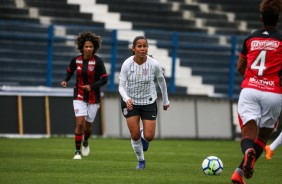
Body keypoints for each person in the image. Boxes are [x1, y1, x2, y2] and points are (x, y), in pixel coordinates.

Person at [231, 0, 282, 183]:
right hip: (273, 93)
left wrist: (253, 79)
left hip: (250, 90)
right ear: (278, 19)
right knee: (263, 137)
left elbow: (239, 67)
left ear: (261, 18)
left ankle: (247, 154)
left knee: (247, 137)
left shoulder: (251, 38)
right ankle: (238, 173)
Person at [118, 36, 170, 170]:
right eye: (139, 46)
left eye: (145, 46)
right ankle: (141, 161)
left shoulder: (154, 64)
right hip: (131, 102)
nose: (142, 49)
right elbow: (121, 86)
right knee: (134, 135)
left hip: (149, 102)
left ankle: (143, 134)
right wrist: (126, 99)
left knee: (149, 136)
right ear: (133, 48)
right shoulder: (127, 64)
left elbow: (161, 82)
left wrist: (165, 100)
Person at [60, 31, 108, 160]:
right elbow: (69, 71)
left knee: (88, 126)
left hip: (93, 97)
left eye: (90, 46)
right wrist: (65, 80)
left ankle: (85, 142)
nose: (88, 49)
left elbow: (104, 79)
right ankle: (77, 152)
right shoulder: (76, 60)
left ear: (94, 48)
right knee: (80, 124)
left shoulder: (98, 61)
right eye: (86, 46)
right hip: (79, 95)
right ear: (82, 47)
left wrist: (91, 86)